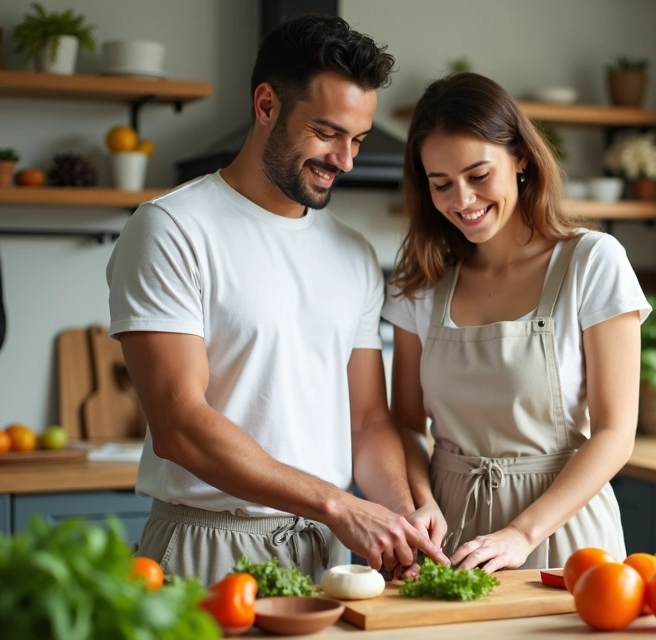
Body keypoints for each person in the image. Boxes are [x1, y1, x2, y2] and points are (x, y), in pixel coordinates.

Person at [106, 14, 445, 587]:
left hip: (325, 553)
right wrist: (339, 506)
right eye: (328, 132)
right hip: (207, 547)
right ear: (266, 105)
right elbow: (180, 424)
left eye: (358, 139)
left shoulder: (354, 252)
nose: (346, 159)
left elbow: (366, 420)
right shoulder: (171, 228)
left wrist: (401, 512)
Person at [384, 72, 651, 573]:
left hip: (562, 532)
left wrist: (520, 534)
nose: (461, 200)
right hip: (449, 537)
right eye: (441, 184)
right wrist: (421, 506)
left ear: (521, 157)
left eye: (478, 175)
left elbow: (616, 432)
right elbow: (406, 423)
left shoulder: (591, 262)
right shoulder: (423, 281)